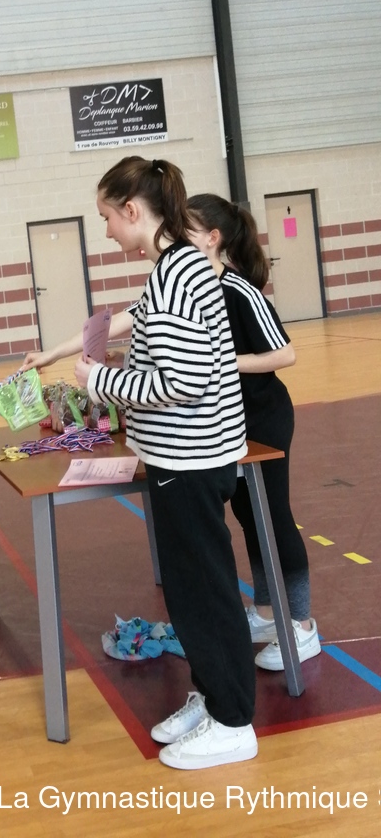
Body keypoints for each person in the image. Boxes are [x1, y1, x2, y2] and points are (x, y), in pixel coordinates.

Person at [73, 155, 256, 771]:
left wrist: (102, 380)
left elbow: (181, 382)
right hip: (187, 455)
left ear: (132, 210)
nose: (106, 231)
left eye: (107, 217)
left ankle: (233, 721)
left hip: (191, 458)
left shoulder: (177, 273)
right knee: (191, 590)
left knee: (204, 593)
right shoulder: (175, 268)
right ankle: (212, 696)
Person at [186, 193, 320, 670]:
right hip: (231, 422)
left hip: (265, 420)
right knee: (249, 515)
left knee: (275, 517)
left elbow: (285, 353)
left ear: (212, 238)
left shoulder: (239, 289)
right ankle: (266, 612)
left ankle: (302, 625)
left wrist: (223, 361)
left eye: (185, 231)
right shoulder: (192, 290)